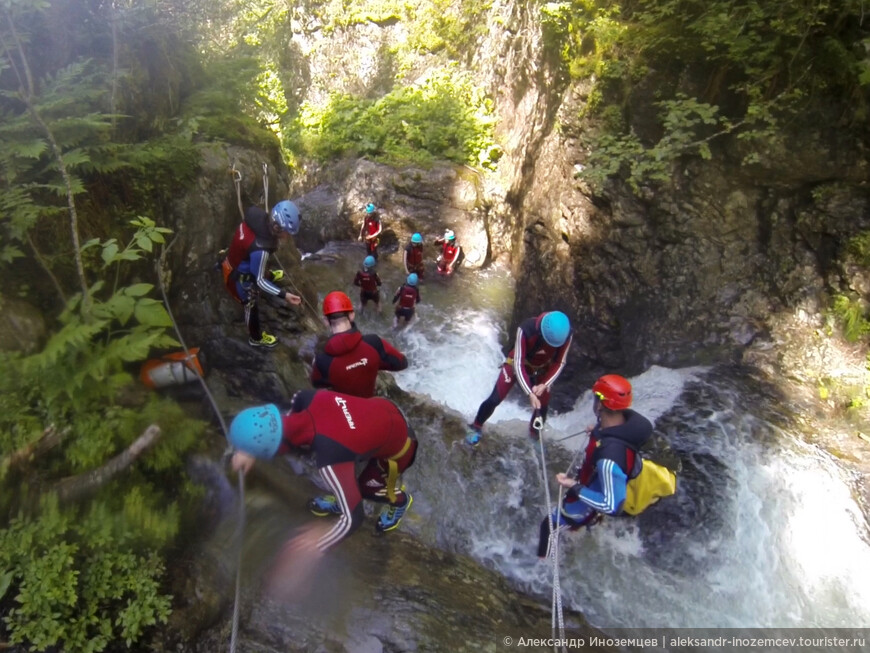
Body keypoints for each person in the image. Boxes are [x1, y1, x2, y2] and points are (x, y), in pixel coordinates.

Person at [229, 389, 418, 551]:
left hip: (402, 446)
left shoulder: (330, 461)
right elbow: (288, 432)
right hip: (381, 409)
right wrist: (250, 450)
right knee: (346, 472)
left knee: (365, 488)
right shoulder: (304, 397)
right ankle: (343, 496)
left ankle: (400, 502)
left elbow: (353, 518)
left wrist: (319, 543)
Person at [536, 374, 652, 558]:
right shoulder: (625, 427)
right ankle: (577, 533)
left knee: (549, 526)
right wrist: (597, 431)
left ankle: (544, 569)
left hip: (587, 505)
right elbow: (611, 432)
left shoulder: (609, 460)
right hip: (599, 482)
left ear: (600, 405)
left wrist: (572, 486)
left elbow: (611, 505)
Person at [465, 311, 572, 446]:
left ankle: (534, 436)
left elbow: (560, 362)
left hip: (542, 368)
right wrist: (529, 393)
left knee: (542, 407)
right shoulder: (526, 329)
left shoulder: (566, 334)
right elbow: (518, 363)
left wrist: (545, 384)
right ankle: (476, 426)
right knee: (494, 399)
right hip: (517, 363)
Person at [220, 202, 302, 348]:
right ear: (276, 227)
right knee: (251, 306)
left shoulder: (256, 217)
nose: (287, 236)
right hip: (238, 279)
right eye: (286, 232)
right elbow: (258, 281)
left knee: (259, 267)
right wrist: (285, 295)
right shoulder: (261, 249)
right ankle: (255, 338)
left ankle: (268, 275)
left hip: (237, 261)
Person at [310, 291, 408, 398]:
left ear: (326, 321)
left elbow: (317, 383)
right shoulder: (374, 343)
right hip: (368, 403)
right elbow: (402, 363)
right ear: (351, 315)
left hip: (346, 411)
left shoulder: (322, 360)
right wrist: (373, 363)